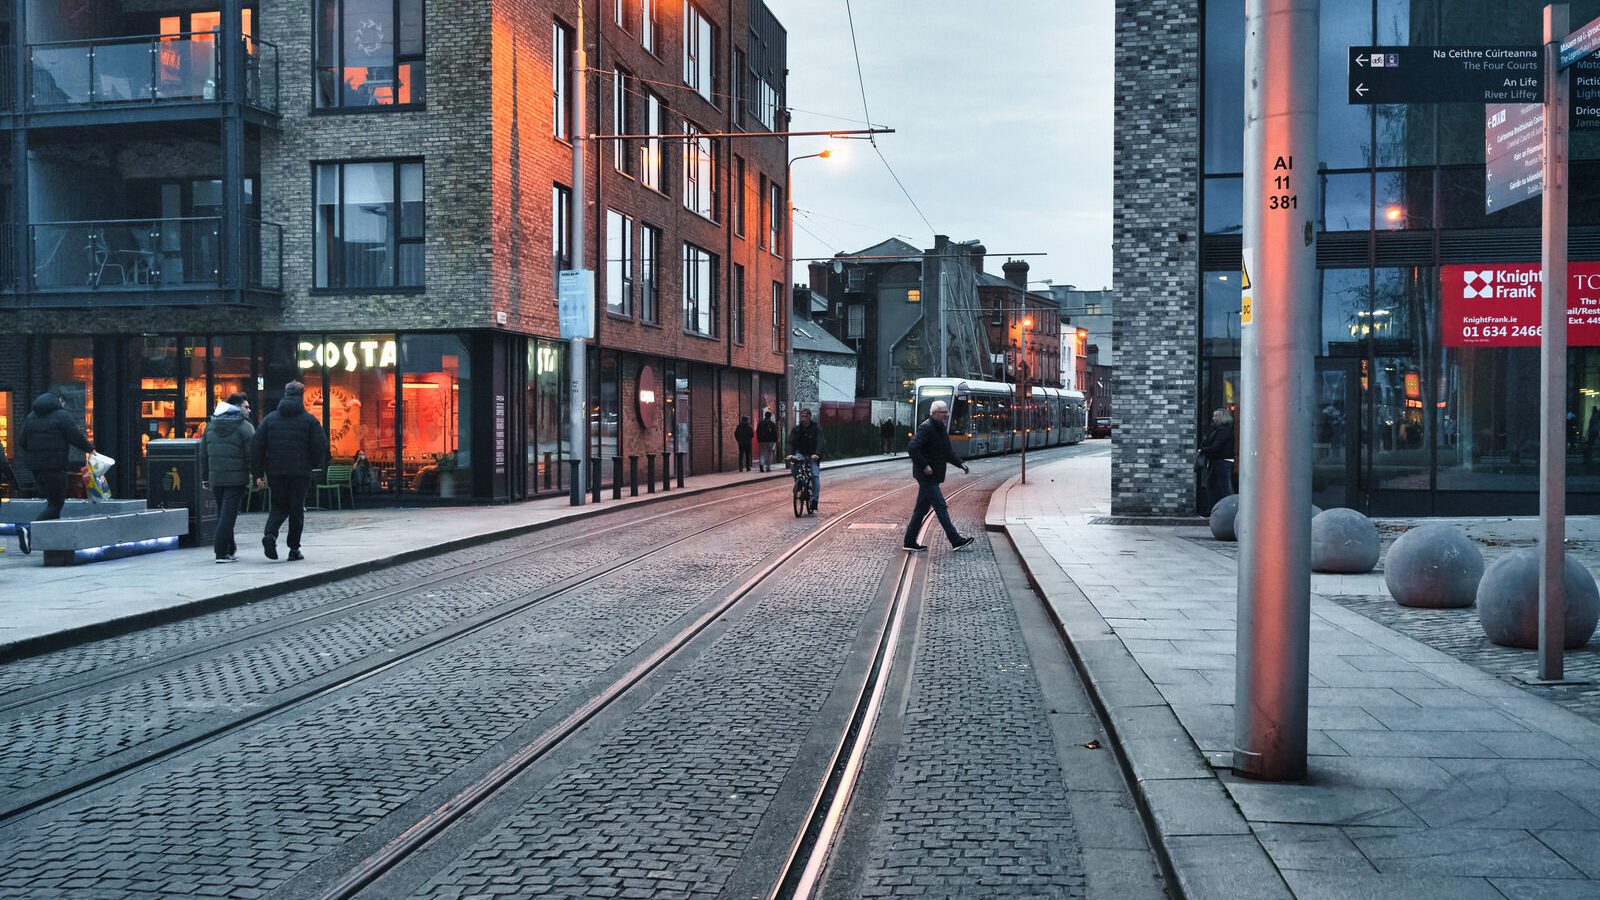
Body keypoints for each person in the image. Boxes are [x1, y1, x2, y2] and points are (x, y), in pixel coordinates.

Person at [251, 381, 328, 562]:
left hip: (276, 471)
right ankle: (294, 549)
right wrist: (314, 463)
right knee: (296, 509)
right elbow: (321, 445)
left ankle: (270, 534)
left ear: (284, 395)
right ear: (302, 395)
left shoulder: (270, 419)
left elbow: (257, 447)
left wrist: (258, 473)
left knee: (278, 505)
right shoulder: (309, 420)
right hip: (300, 473)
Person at [17, 392, 94, 555]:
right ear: (59, 401)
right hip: (55, 466)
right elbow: (75, 436)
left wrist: (36, 454)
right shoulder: (61, 416)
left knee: (51, 502)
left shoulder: (31, 416)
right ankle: (29, 530)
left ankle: (53, 544)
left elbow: (22, 441)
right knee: (56, 503)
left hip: (36, 468)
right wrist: (90, 449)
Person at [902, 400, 975, 553]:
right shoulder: (926, 428)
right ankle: (955, 540)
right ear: (934, 413)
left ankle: (909, 541)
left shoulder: (940, 428)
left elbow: (947, 452)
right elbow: (912, 448)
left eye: (946, 411)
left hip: (933, 475)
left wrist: (961, 464)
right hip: (926, 476)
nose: (947, 414)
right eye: (943, 412)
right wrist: (925, 465)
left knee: (921, 510)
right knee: (940, 506)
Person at [200, 392, 255, 563]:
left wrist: (205, 477)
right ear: (237, 408)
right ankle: (221, 552)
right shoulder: (245, 427)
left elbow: (203, 453)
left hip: (216, 478)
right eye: (246, 407)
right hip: (236, 478)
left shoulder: (210, 426)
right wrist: (257, 474)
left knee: (223, 513)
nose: (249, 410)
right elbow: (251, 454)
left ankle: (230, 548)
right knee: (228, 515)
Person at [1198, 407, 1236, 514]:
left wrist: (1203, 450)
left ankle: (1231, 510)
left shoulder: (1224, 431)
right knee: (1214, 486)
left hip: (1222, 461)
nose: (1213, 418)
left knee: (1223, 487)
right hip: (1218, 461)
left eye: (1215, 416)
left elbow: (1216, 447)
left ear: (1221, 418)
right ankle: (1216, 510)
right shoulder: (1220, 430)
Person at [788, 407, 823, 512]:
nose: (804, 418)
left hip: (812, 455)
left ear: (810, 417)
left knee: (814, 475)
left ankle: (814, 500)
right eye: (802, 416)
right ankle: (798, 483)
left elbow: (820, 442)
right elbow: (791, 442)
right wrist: (790, 454)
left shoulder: (816, 429)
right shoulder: (796, 429)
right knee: (794, 465)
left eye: (806, 416)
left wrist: (817, 454)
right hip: (801, 453)